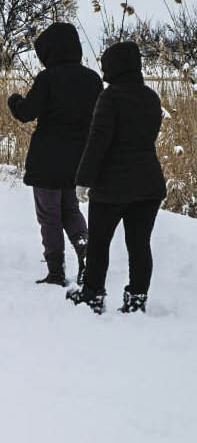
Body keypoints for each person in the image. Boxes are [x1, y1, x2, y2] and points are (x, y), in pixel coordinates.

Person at [67, 41, 166, 314]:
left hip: (112, 187)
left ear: (114, 66)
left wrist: (83, 180)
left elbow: (97, 142)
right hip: (148, 185)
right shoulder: (151, 97)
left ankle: (92, 296)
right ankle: (136, 299)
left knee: (99, 244)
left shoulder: (109, 98)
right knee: (139, 245)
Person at [7, 22, 103, 286]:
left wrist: (14, 100)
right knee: (70, 209)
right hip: (78, 159)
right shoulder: (92, 79)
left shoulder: (48, 78)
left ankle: (56, 272)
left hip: (47, 159)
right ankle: (86, 255)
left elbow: (26, 112)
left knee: (49, 215)